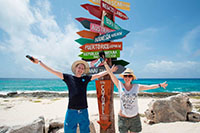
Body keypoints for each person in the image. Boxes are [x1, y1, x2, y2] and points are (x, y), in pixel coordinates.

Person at [28, 56, 117, 133]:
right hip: (71, 111)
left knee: (85, 131)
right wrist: (40, 62)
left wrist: (109, 71)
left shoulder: (85, 79)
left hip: (83, 111)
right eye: (79, 68)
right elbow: (53, 71)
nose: (80, 70)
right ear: (75, 68)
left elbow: (98, 75)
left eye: (82, 68)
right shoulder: (68, 78)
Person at [103, 61, 168, 133]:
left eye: (129, 76)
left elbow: (149, 87)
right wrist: (105, 63)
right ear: (123, 77)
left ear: (132, 78)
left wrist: (160, 85)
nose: (127, 77)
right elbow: (110, 74)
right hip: (123, 119)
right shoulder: (119, 85)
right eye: (125, 76)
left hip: (134, 118)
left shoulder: (136, 86)